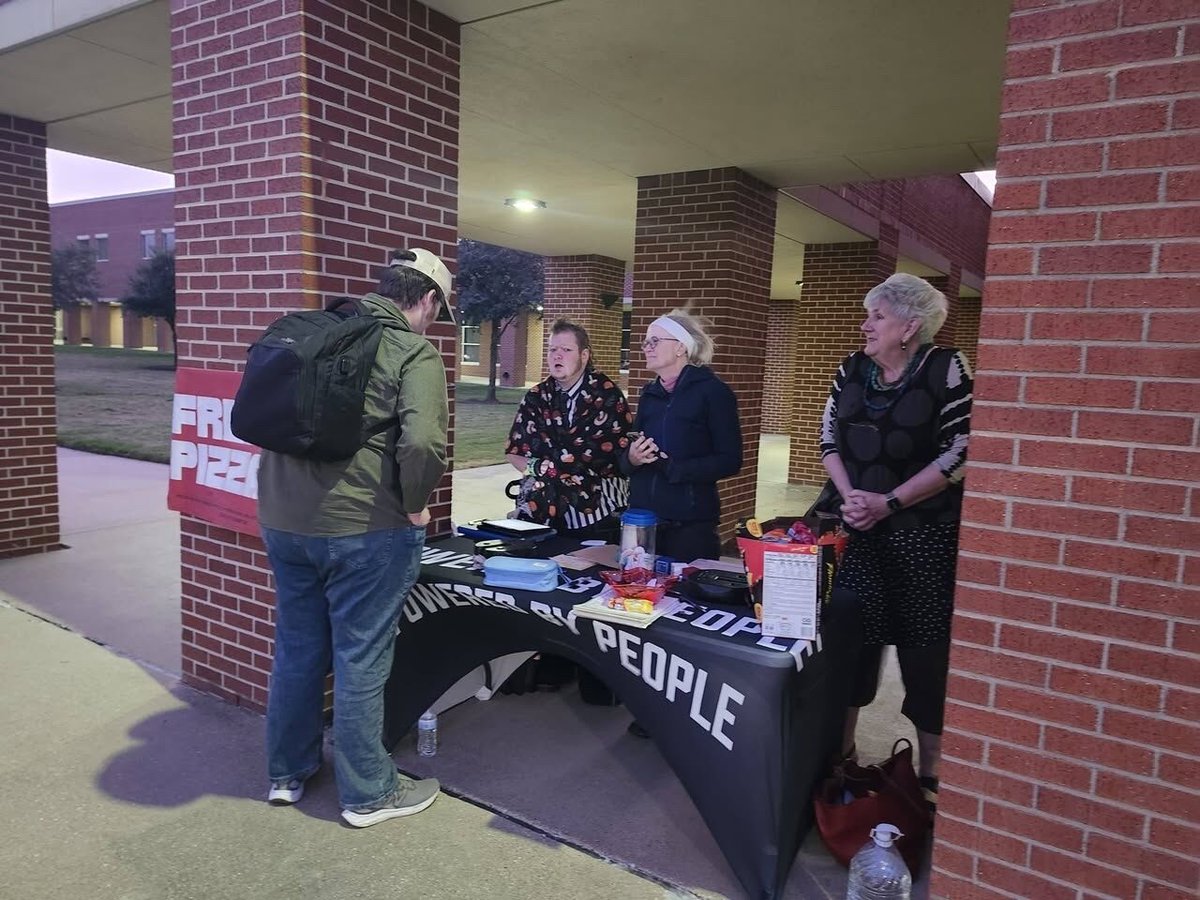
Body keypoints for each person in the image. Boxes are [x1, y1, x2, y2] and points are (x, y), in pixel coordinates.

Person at [257, 248, 453, 828]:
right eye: (437, 312)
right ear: (426, 299)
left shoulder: (318, 331)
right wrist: (415, 505)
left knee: (298, 648)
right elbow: (423, 443)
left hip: (283, 520)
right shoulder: (412, 350)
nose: (433, 322)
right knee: (360, 656)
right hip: (364, 527)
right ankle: (368, 793)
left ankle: (287, 772)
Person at [819, 272, 973, 817]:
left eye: (877, 316)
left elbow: (960, 451)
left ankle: (932, 773)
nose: (866, 325)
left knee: (924, 653)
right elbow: (828, 440)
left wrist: (890, 501)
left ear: (910, 326)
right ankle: (840, 758)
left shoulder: (947, 368)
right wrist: (853, 498)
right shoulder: (851, 368)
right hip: (857, 531)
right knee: (851, 645)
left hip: (923, 536)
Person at [620, 309, 743, 563]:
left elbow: (730, 460)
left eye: (655, 341)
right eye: (645, 342)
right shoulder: (649, 394)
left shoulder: (714, 393)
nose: (646, 348)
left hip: (690, 525)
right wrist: (632, 458)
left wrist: (678, 469)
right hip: (643, 521)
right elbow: (629, 455)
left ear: (680, 347)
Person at [505, 318, 633, 543]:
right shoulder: (537, 397)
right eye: (552, 350)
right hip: (542, 507)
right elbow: (515, 452)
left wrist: (555, 469)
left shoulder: (607, 395)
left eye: (566, 350)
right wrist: (540, 468)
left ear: (584, 355)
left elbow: (617, 456)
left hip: (599, 510)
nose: (557, 355)